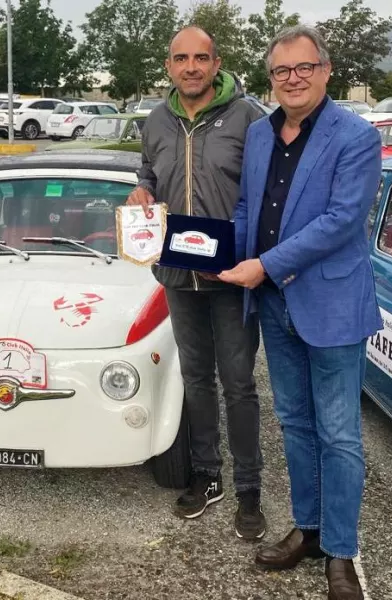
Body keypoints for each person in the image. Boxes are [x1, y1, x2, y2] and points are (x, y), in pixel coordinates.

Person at [217, 25, 382, 600]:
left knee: (339, 435)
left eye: (303, 68)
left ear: (325, 70)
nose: (292, 79)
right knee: (295, 424)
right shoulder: (261, 134)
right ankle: (308, 531)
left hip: (331, 304)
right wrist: (214, 252)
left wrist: (263, 264)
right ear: (272, 77)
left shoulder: (356, 136)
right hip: (272, 303)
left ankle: (341, 550)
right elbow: (246, 209)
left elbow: (340, 221)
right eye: (282, 71)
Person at [126, 26, 268, 540]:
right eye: (181, 58)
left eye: (200, 58)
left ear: (217, 63)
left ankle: (250, 487)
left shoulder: (249, 117)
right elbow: (149, 172)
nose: (190, 67)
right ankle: (208, 476)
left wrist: (249, 253)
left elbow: (265, 188)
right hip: (176, 276)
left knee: (239, 383)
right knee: (196, 380)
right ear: (169, 65)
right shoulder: (157, 120)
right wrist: (141, 191)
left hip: (230, 277)